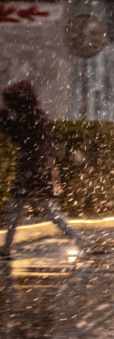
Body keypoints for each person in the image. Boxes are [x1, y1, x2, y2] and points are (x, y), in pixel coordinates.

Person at [0, 81, 95, 259]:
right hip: (35, 168)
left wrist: (36, 167)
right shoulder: (30, 115)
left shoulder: (33, 115)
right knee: (38, 209)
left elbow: (30, 141)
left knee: (27, 209)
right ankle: (80, 240)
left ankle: (80, 240)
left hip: (34, 169)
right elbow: (20, 139)